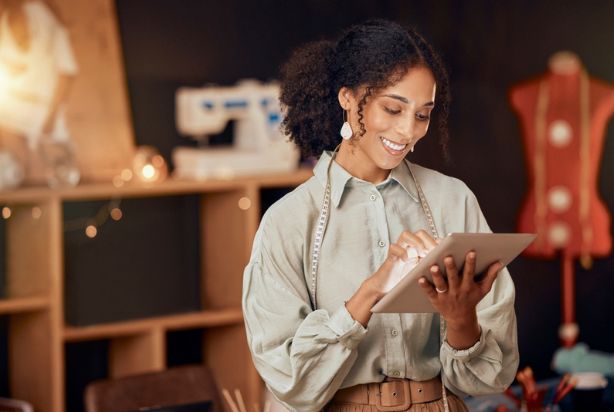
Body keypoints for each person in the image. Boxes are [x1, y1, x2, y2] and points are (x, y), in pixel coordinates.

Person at [242, 19, 519, 412]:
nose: (407, 132)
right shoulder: (288, 222)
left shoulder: (452, 201)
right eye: (392, 108)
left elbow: (490, 378)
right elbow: (292, 383)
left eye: (422, 115)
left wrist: (460, 320)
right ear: (348, 99)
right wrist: (373, 289)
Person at [0, 0, 78, 183]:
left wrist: (51, 116)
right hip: (12, 108)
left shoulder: (45, 18)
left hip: (46, 111)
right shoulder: (4, 20)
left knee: (56, 175)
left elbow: (66, 72)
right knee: (11, 176)